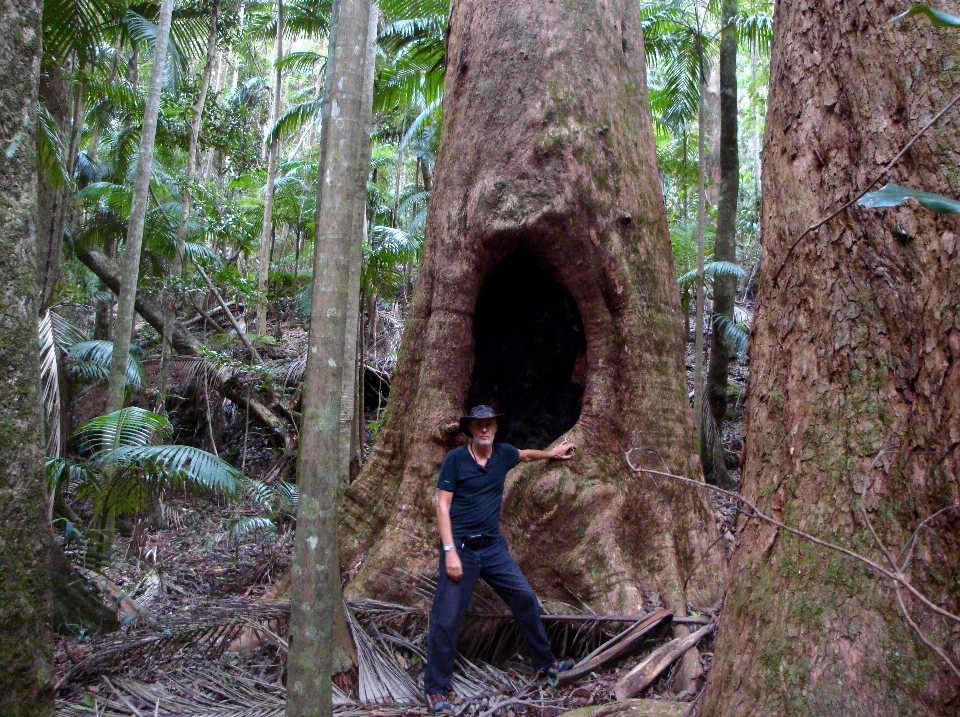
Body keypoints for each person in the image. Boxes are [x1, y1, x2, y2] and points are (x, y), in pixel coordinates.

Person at [424, 405, 576, 713]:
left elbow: (524, 454)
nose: (484, 429)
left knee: (524, 598)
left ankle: (545, 664)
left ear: (495, 427)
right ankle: (436, 689)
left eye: (489, 424)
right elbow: (442, 507)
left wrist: (552, 454)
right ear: (470, 429)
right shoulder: (455, 460)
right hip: (461, 550)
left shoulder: (503, 454)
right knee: (447, 617)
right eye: (478, 425)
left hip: (492, 548)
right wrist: (449, 551)